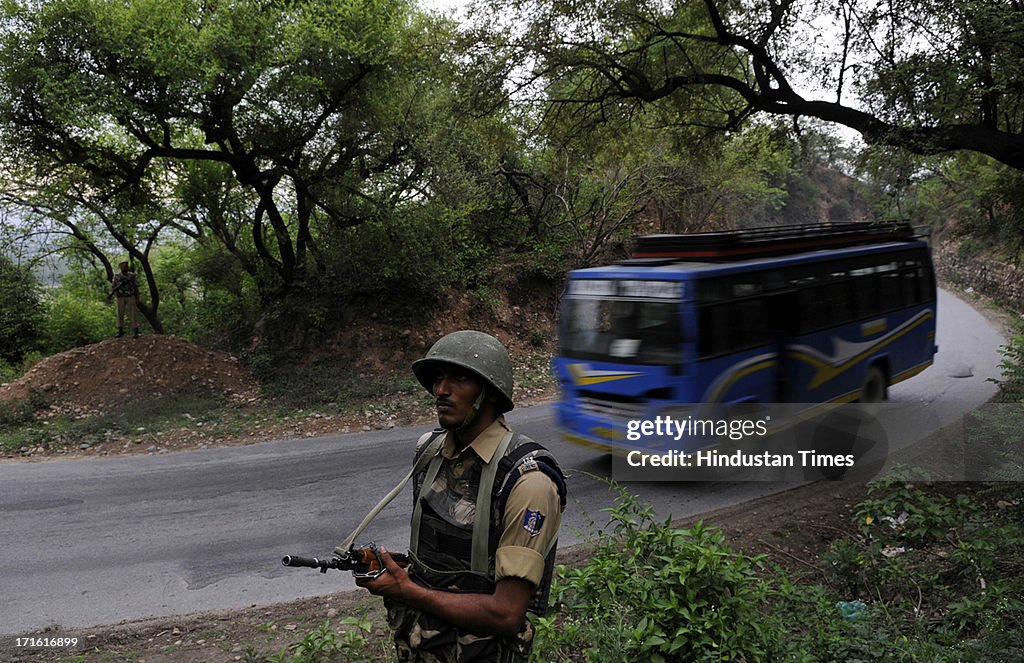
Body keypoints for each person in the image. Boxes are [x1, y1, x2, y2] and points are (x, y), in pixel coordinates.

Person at [357, 330, 566, 662]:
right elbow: (450, 558)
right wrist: (401, 569)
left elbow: (506, 613)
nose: (441, 390)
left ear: (490, 392)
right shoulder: (429, 451)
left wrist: (408, 591)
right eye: (438, 378)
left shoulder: (528, 482)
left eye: (460, 378)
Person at [108, 260, 140, 338]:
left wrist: (137, 297)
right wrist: (115, 293)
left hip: (130, 296)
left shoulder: (132, 275)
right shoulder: (117, 276)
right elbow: (113, 286)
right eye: (123, 266)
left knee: (133, 314)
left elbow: (136, 287)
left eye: (125, 266)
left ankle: (135, 331)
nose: (125, 268)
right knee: (120, 313)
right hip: (120, 297)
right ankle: (120, 330)